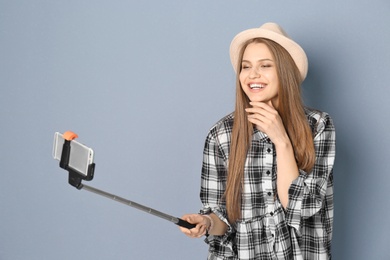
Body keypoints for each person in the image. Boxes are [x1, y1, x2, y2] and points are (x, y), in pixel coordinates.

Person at [179, 22, 336, 260]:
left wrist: (281, 139)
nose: (253, 74)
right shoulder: (220, 135)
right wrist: (207, 222)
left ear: (285, 70)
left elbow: (302, 207)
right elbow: (221, 218)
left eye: (265, 65)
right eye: (246, 66)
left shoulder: (318, 126)